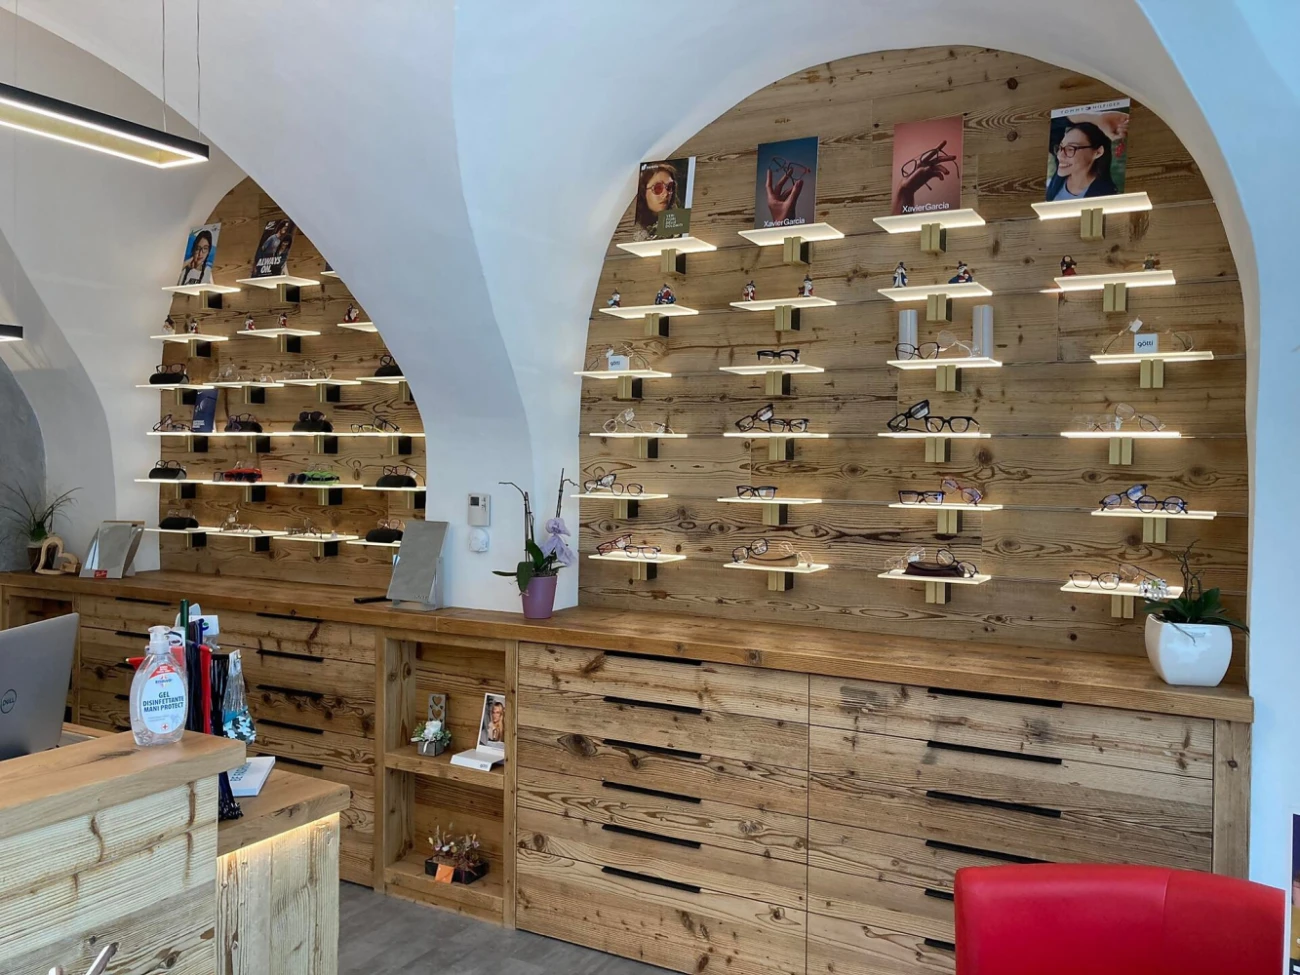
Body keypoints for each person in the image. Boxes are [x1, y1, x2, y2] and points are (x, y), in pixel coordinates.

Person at [1046, 121, 1117, 201]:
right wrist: (1096, 119)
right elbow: (1053, 123)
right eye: (1060, 147)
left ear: (1098, 152)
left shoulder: (1106, 195)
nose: (1060, 155)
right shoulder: (1064, 170)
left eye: (1070, 149)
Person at [633, 162, 679, 241]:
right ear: (642, 192)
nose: (666, 194)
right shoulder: (633, 231)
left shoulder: (678, 222)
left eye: (670, 187)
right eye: (658, 188)